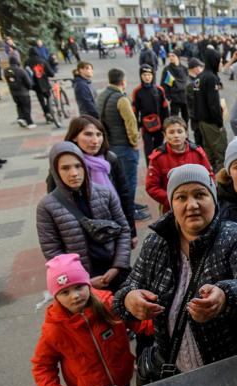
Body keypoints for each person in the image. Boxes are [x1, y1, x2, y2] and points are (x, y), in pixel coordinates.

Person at [113, 164, 237, 375]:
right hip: (174, 370)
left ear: (213, 198)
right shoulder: (156, 243)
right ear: (171, 203)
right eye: (181, 197)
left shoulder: (236, 237)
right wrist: (129, 299)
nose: (192, 205)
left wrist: (225, 296)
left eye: (200, 194)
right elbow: (124, 293)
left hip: (230, 370)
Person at [31, 254, 150, 386]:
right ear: (56, 297)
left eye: (79, 287)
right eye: (65, 292)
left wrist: (156, 320)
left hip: (122, 379)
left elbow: (138, 322)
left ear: (88, 284)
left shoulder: (109, 304)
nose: (74, 296)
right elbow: (42, 365)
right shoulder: (54, 328)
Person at [36, 142, 131, 291]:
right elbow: (53, 252)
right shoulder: (47, 206)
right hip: (81, 283)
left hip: (115, 273)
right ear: (55, 171)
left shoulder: (105, 193)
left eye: (78, 166)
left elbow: (124, 230)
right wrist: (82, 280)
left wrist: (117, 266)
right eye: (65, 168)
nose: (73, 173)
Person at [45, 116, 139, 249]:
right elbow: (55, 204)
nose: (95, 141)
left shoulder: (110, 159)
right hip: (78, 235)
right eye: (88, 134)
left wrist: (131, 231)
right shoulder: (64, 164)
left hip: (112, 228)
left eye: (99, 134)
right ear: (74, 137)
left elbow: (125, 197)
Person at [97, 69, 150, 222]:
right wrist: (134, 143)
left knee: (119, 179)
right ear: (122, 81)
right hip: (124, 147)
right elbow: (131, 123)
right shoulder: (122, 99)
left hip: (111, 144)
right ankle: (129, 211)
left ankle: (129, 204)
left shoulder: (102, 95)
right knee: (129, 181)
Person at [146, 116, 215, 213]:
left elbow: (210, 178)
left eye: (179, 131)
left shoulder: (197, 153)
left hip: (197, 205)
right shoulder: (158, 158)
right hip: (171, 208)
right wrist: (173, 199)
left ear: (186, 133)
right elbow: (152, 187)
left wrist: (203, 196)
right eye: (171, 132)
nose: (176, 135)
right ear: (165, 135)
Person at [194, 48, 228, 171]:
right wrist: (219, 123)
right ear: (214, 62)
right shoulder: (211, 78)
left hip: (202, 122)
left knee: (209, 155)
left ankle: (209, 181)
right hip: (211, 123)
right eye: (220, 62)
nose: (222, 64)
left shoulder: (199, 77)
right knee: (221, 154)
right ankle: (221, 184)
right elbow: (213, 104)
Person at [131, 64, 170, 164]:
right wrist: (137, 126)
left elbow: (165, 109)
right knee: (148, 151)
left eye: (149, 74)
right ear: (141, 76)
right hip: (146, 127)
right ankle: (151, 170)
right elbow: (134, 111)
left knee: (159, 149)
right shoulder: (137, 91)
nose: (147, 77)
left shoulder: (159, 89)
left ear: (153, 75)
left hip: (159, 125)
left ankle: (159, 169)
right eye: (144, 75)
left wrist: (166, 126)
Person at [5, 56, 36, 129]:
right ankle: (30, 123)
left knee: (19, 105)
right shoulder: (20, 70)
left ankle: (20, 118)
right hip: (23, 92)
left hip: (13, 93)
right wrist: (30, 87)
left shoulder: (6, 71)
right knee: (26, 107)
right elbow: (28, 82)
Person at [25, 47, 55, 123]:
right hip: (44, 82)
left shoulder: (27, 62)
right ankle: (48, 112)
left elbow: (26, 73)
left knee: (41, 100)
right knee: (48, 97)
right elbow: (51, 73)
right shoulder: (42, 60)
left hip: (35, 84)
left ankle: (46, 113)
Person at [161, 51, 189, 125]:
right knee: (174, 119)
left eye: (173, 56)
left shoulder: (184, 68)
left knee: (186, 118)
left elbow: (189, 82)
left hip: (185, 97)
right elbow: (164, 85)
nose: (170, 57)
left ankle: (185, 134)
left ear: (178, 57)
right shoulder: (167, 69)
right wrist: (168, 97)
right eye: (169, 56)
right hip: (174, 97)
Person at [185, 58, 204, 146]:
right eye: (200, 67)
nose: (202, 70)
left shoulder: (194, 80)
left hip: (197, 117)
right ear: (195, 68)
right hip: (197, 118)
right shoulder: (192, 83)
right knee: (200, 142)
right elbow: (198, 101)